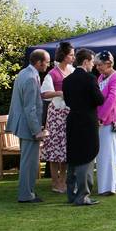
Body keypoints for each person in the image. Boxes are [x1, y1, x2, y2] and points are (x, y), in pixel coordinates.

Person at [6, 49, 50, 203]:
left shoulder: (24, 73)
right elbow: (30, 108)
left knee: (28, 162)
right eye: (47, 62)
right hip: (28, 127)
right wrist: (37, 131)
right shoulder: (31, 78)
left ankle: (29, 192)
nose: (48, 65)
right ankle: (26, 195)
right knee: (29, 163)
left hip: (23, 125)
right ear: (39, 62)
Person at [62, 48, 104, 206]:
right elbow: (99, 100)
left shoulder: (67, 81)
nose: (93, 65)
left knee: (73, 157)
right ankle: (83, 195)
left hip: (72, 120)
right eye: (92, 61)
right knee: (87, 157)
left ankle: (71, 193)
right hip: (87, 122)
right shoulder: (90, 79)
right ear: (86, 61)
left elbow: (67, 102)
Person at [40, 42, 74, 193]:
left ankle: (63, 180)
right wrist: (58, 93)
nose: (73, 57)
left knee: (66, 148)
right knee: (54, 148)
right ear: (64, 56)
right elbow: (44, 94)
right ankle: (55, 182)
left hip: (69, 113)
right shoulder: (52, 74)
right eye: (71, 55)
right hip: (56, 114)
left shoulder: (72, 71)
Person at [94, 51, 116, 196]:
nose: (97, 67)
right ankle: (114, 183)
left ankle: (107, 187)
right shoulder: (101, 77)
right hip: (105, 119)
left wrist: (100, 117)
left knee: (106, 153)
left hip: (111, 120)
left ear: (108, 63)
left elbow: (112, 99)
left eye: (100, 64)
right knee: (107, 152)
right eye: (96, 65)